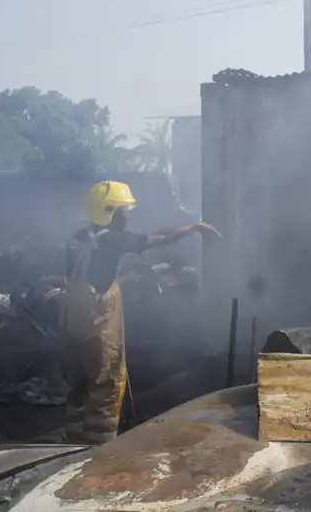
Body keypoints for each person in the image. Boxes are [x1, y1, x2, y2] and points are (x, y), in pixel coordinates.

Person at [62, 180, 221, 444]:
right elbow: (161, 238)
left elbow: (94, 272)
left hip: (72, 319)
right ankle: (95, 450)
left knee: (79, 382)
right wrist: (195, 227)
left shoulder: (80, 237)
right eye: (123, 210)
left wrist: (118, 277)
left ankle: (71, 443)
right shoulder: (113, 239)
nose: (127, 215)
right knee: (106, 382)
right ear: (108, 210)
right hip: (97, 319)